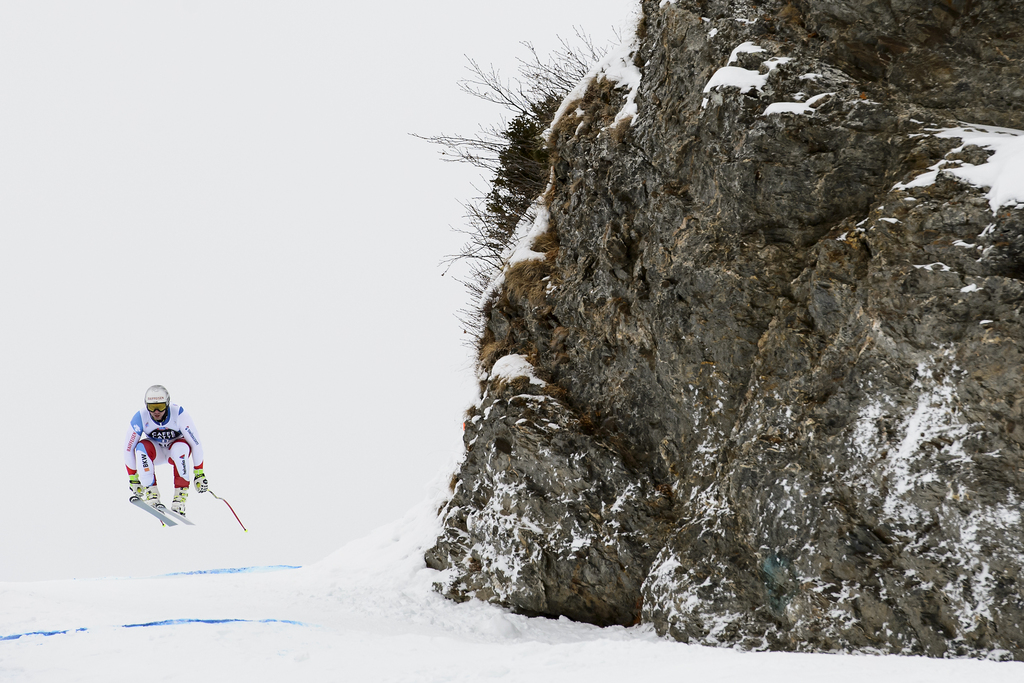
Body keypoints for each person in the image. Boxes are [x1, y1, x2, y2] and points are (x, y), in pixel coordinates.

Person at [123, 385, 209, 517]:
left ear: (167, 404)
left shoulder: (179, 414)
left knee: (180, 448)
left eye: (161, 406)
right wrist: (133, 478)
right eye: (151, 407)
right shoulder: (140, 417)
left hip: (174, 452)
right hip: (155, 452)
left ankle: (179, 500)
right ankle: (151, 493)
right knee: (141, 447)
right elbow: (128, 448)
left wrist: (199, 473)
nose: (156, 411)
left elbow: (195, 443)